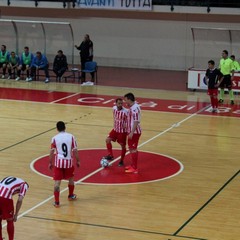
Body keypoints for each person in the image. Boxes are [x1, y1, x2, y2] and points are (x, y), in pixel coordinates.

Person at [48, 121, 80, 208]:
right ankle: (70, 195)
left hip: (59, 163)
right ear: (65, 127)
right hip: (68, 163)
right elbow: (75, 150)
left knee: (57, 183)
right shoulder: (71, 136)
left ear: (57, 128)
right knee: (71, 179)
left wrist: (50, 162)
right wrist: (78, 160)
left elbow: (51, 151)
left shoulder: (54, 138)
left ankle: (57, 202)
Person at [105, 98, 128, 167]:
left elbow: (129, 120)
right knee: (107, 140)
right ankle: (110, 155)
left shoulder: (125, 112)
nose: (120, 105)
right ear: (116, 103)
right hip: (115, 129)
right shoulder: (114, 108)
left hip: (122, 132)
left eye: (121, 103)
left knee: (122, 146)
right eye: (119, 103)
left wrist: (126, 125)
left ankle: (121, 160)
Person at [124, 93, 141, 173]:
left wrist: (131, 132)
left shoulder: (134, 109)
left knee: (133, 149)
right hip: (132, 131)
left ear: (129, 99)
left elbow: (136, 121)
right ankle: (132, 165)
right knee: (131, 148)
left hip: (134, 132)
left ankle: (135, 168)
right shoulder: (132, 107)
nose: (125, 101)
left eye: (125, 99)